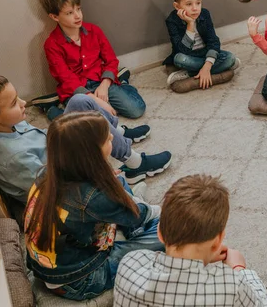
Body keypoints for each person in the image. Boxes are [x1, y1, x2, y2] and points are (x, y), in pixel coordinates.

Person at [0, 74, 171, 205]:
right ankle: (133, 172)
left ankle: (122, 141)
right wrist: (96, 173)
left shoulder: (7, 124)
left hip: (58, 152)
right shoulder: (13, 157)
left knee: (80, 101)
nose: (23, 103)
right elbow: (54, 190)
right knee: (91, 126)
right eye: (14, 103)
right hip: (63, 178)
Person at [24, 112, 164, 301]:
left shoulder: (48, 173)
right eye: (107, 139)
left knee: (118, 183)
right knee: (171, 229)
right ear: (91, 154)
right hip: (80, 280)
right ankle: (132, 224)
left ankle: (128, 215)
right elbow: (141, 214)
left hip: (56, 265)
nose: (113, 137)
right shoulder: (93, 197)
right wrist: (155, 211)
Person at [114, 174, 267, 307]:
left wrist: (205, 257)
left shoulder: (130, 263)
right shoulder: (231, 285)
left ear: (159, 232)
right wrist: (240, 270)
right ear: (218, 241)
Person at [41, 0, 146, 119]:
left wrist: (105, 84)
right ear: (55, 17)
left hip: (100, 80)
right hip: (76, 90)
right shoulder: (52, 44)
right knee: (92, 122)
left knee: (136, 110)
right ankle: (50, 108)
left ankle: (123, 83)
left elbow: (111, 60)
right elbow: (65, 77)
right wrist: (96, 100)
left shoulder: (94, 31)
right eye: (69, 13)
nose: (77, 16)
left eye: (78, 9)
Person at [164, 0, 241, 89]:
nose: (195, 8)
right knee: (179, 59)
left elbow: (213, 41)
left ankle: (189, 73)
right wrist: (190, 24)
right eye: (189, 4)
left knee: (230, 57)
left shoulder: (205, 14)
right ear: (177, 6)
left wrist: (207, 66)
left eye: (198, 3)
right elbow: (182, 50)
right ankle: (217, 68)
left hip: (205, 52)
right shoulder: (172, 20)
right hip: (188, 55)